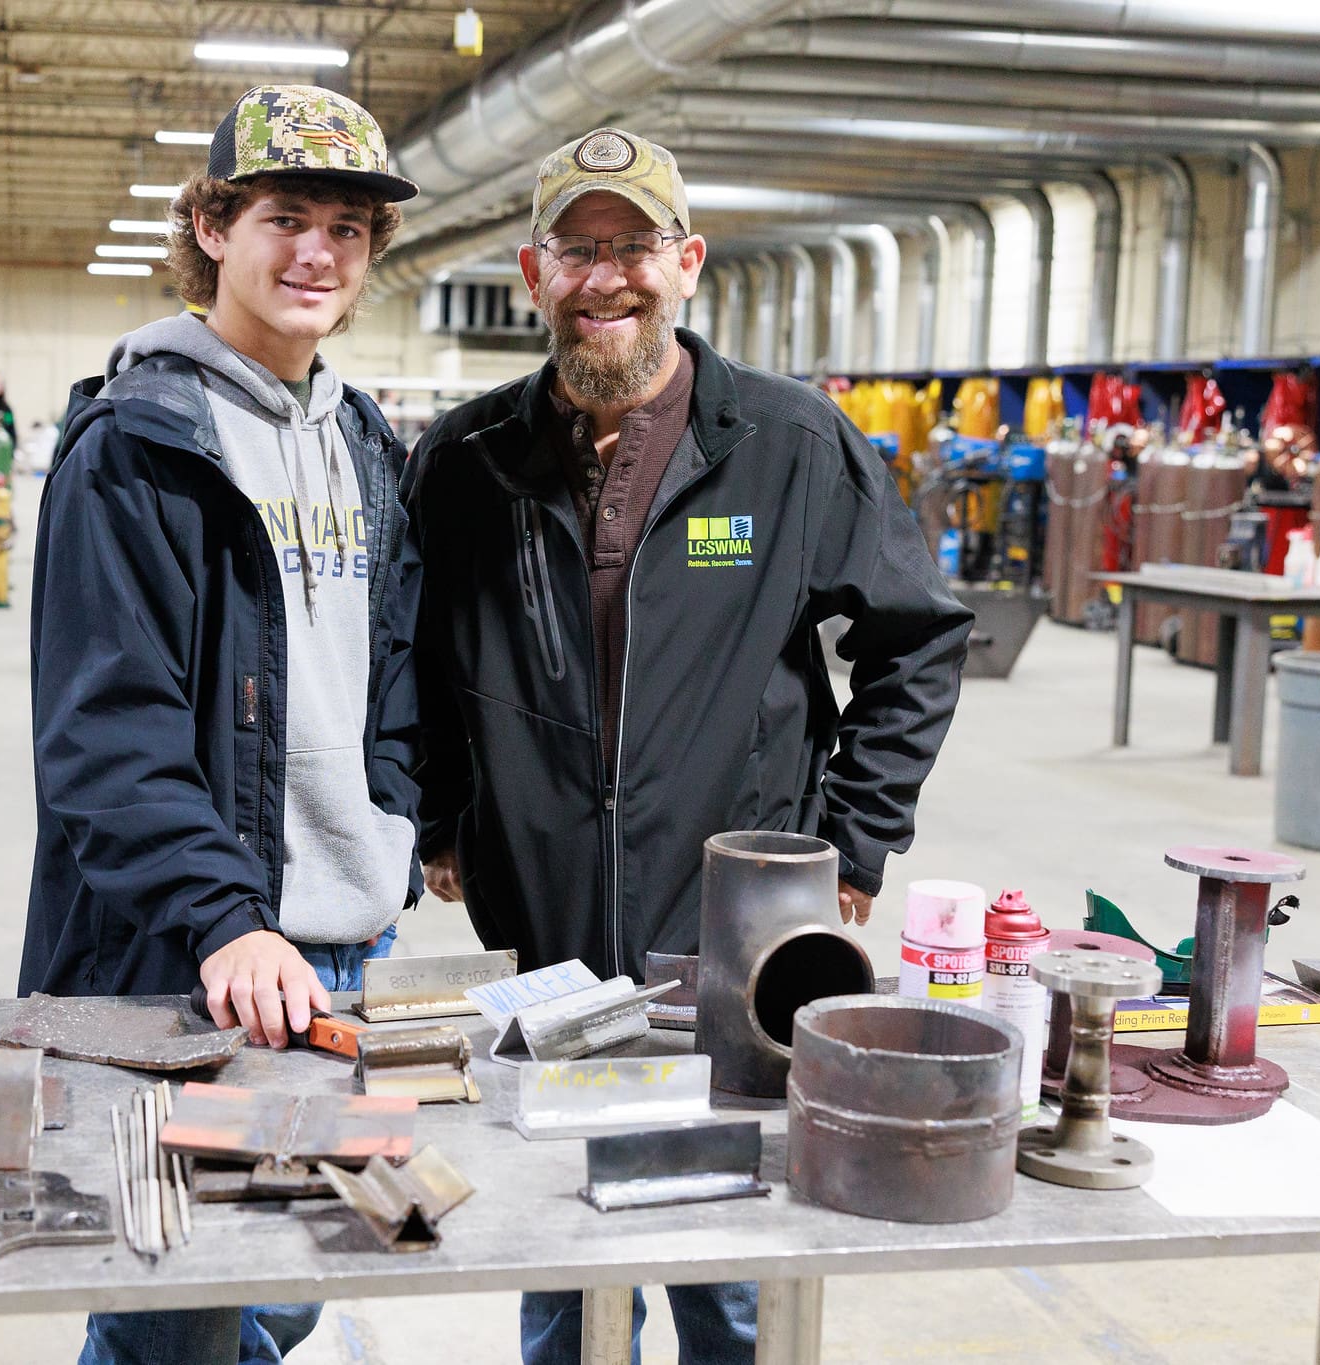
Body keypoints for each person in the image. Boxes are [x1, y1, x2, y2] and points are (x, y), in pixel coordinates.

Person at [402, 127, 973, 1365]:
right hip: (540, 933)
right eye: (576, 249)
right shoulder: (462, 460)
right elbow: (418, 660)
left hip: (728, 937)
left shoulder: (789, 443)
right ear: (531, 271)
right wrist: (442, 819)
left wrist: (855, 843)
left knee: (724, 1265)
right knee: (552, 1244)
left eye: (633, 248)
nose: (605, 278)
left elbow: (916, 640)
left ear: (688, 263)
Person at [21, 85, 422, 1365]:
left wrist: (393, 822)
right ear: (209, 226)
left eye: (348, 230)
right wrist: (222, 914)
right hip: (182, 955)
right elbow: (103, 731)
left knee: (288, 1270)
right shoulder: (138, 444)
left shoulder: (361, 442)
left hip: (334, 945)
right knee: (173, 1306)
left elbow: (390, 669)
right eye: (284, 217)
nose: (317, 254)